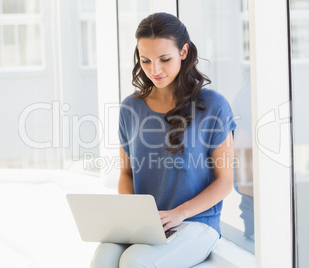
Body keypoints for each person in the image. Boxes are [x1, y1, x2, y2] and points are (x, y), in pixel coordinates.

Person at [90, 12, 237, 268]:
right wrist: (132, 216)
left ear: (184, 52)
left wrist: (179, 213)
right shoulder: (130, 108)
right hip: (147, 225)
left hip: (196, 222)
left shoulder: (213, 106)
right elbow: (126, 173)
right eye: (145, 60)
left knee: (135, 261)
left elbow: (224, 182)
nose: (154, 70)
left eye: (164, 59)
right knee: (104, 257)